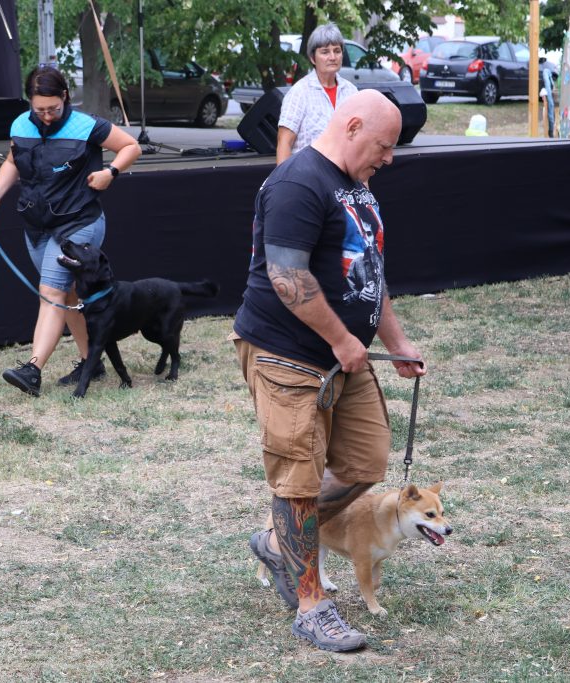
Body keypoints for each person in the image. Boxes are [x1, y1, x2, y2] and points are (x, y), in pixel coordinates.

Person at [233, 89, 426, 652]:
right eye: (384, 147)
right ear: (354, 125)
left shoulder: (356, 185)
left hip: (343, 356)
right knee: (297, 482)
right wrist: (342, 340)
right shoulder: (298, 182)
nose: (388, 158)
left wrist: (396, 340)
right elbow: (287, 276)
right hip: (288, 355)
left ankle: (277, 542)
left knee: (366, 461)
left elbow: (369, 271)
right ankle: (312, 605)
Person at [0, 66, 141, 396]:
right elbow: (12, 162)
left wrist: (111, 171)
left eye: (53, 108)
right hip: (36, 226)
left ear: (64, 97)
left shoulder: (86, 125)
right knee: (66, 294)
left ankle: (33, 370)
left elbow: (131, 147)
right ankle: (90, 361)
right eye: (40, 109)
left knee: (51, 292)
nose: (47, 116)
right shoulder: (20, 125)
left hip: (79, 223)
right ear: (30, 103)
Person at [276, 23, 359, 165]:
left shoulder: (352, 92)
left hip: (345, 178)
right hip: (308, 177)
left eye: (337, 51)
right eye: (325, 52)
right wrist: (285, 184)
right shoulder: (299, 93)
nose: (332, 57)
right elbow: (284, 143)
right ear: (313, 58)